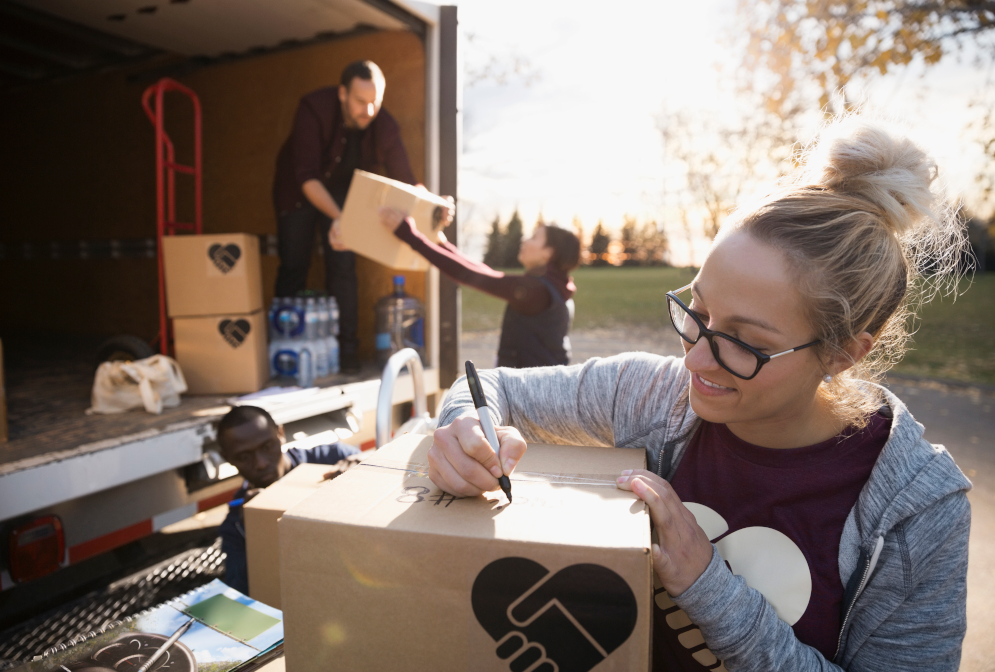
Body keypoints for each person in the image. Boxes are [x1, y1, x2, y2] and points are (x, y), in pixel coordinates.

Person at [427, 118, 971, 671]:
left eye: (742, 342)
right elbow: (489, 388)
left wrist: (708, 587)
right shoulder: (652, 394)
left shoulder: (917, 512)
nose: (693, 359)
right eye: (699, 312)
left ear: (842, 353)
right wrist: (464, 431)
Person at [273, 60, 417, 373]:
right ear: (342, 93)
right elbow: (307, 176)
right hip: (299, 189)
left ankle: (346, 354)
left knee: (343, 266)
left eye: (375, 102)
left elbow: (407, 180)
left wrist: (433, 204)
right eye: (360, 101)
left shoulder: (385, 125)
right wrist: (341, 219)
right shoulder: (313, 108)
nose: (368, 110)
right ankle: (284, 352)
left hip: (344, 194)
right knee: (295, 261)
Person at [379, 208, 582, 367]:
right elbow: (486, 273)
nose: (525, 240)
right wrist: (443, 246)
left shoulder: (536, 292)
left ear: (549, 253)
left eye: (534, 237)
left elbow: (473, 276)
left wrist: (409, 235)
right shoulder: (555, 286)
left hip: (534, 394)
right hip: (542, 387)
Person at [215, 405, 359, 595]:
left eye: (267, 447)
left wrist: (365, 470)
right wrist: (255, 535)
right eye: (244, 457)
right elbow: (240, 591)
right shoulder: (237, 523)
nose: (261, 463)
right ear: (227, 458)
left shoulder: (331, 459)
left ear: (281, 433)